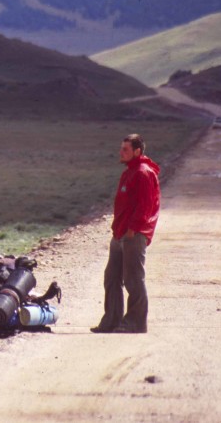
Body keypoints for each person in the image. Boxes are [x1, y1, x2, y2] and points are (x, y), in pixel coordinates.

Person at [91, 133, 160, 334]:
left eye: (125, 150)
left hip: (133, 235)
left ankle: (136, 322)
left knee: (133, 278)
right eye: (121, 148)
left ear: (137, 151)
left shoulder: (143, 172)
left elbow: (145, 206)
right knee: (112, 277)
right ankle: (112, 321)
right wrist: (118, 231)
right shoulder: (129, 171)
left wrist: (132, 230)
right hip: (120, 233)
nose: (120, 152)